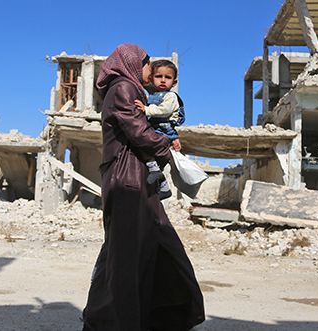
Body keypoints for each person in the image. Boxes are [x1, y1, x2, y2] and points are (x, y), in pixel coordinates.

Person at [82, 44, 205, 331]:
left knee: (151, 247)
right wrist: (167, 146)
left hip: (135, 178)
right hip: (128, 181)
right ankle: (114, 322)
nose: (152, 72)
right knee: (127, 256)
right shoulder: (125, 88)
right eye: (149, 65)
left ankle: (152, 318)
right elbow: (139, 134)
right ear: (136, 63)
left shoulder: (134, 91)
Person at [134, 60, 185, 200]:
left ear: (174, 83)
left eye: (167, 77)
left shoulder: (171, 96)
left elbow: (164, 110)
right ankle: (164, 187)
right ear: (151, 79)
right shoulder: (151, 95)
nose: (163, 80)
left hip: (163, 129)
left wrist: (146, 109)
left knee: (144, 146)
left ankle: (156, 171)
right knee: (150, 161)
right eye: (158, 76)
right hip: (157, 128)